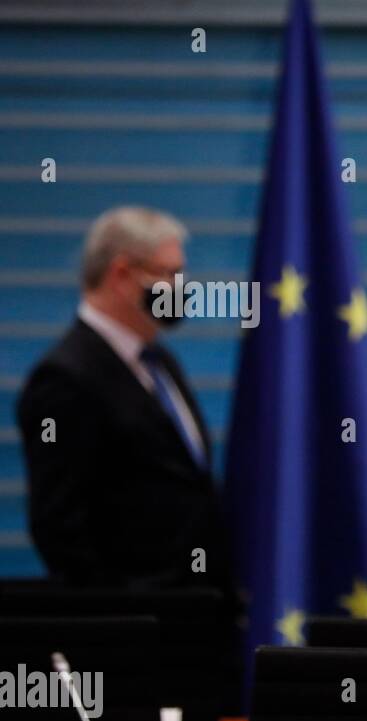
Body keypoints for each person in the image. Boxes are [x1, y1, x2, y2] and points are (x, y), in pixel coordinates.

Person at [16, 206, 231, 590]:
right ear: (121, 275)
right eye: (170, 274)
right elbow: (58, 526)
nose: (183, 288)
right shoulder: (65, 378)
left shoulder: (159, 360)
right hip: (139, 627)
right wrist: (122, 616)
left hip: (197, 614)